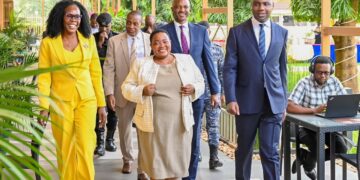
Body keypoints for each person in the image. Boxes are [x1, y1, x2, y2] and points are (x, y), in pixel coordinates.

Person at [121, 29, 205, 180]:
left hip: (179, 126)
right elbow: (125, 88)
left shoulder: (185, 60)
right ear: (151, 46)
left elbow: (200, 82)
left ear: (170, 43)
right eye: (156, 43)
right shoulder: (142, 64)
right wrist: (142, 90)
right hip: (153, 127)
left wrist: (193, 88)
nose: (161, 45)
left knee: (176, 169)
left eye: (165, 41)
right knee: (156, 170)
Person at [37, 0, 107, 179]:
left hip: (86, 100)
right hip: (60, 101)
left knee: (85, 144)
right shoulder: (48, 43)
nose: (74, 20)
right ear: (61, 17)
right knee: (65, 146)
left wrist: (101, 104)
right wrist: (44, 107)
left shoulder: (88, 39)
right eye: (70, 15)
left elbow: (95, 73)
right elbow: (44, 77)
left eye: (77, 16)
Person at [223, 0, 288, 179]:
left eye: (266, 4)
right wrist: (231, 98)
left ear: (272, 6)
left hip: (273, 103)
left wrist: (283, 103)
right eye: (257, 4)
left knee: (271, 151)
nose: (261, 8)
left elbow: (282, 69)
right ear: (251, 5)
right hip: (245, 102)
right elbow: (230, 68)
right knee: (244, 150)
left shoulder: (282, 33)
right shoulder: (236, 32)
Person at [161, 1, 221, 179]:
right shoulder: (163, 31)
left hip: (195, 95)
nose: (182, 10)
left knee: (194, 141)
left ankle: (190, 177)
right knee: (172, 138)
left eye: (185, 7)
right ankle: (171, 174)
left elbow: (209, 62)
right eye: (178, 7)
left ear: (190, 9)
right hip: (170, 95)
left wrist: (216, 91)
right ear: (172, 9)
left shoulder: (200, 31)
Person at [102, 10, 151, 180]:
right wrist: (109, 93)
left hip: (143, 93)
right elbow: (108, 68)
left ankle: (143, 166)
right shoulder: (115, 41)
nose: (131, 26)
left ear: (140, 24)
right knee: (124, 129)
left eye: (135, 23)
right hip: (122, 92)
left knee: (144, 130)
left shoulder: (148, 40)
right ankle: (127, 159)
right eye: (128, 22)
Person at [287, 55, 348, 180]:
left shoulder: (334, 81)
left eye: (326, 73)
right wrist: (314, 110)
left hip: (328, 127)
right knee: (318, 149)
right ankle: (309, 165)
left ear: (331, 72)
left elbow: (345, 100)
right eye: (319, 72)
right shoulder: (304, 83)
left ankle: (305, 158)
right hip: (305, 128)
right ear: (313, 70)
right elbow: (289, 106)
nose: (323, 76)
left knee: (342, 149)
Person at [197, 20, 225, 170]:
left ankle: (214, 157)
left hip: (213, 95)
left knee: (213, 125)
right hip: (196, 95)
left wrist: (223, 93)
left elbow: (222, 72)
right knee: (196, 125)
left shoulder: (217, 50)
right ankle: (196, 152)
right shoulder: (194, 49)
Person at [93, 12, 119, 156]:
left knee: (113, 111)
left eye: (107, 27)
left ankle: (110, 139)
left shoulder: (117, 38)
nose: (104, 30)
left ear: (111, 25)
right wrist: (99, 44)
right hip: (98, 82)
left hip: (114, 81)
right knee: (99, 112)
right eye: (101, 27)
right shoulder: (92, 39)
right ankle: (100, 142)